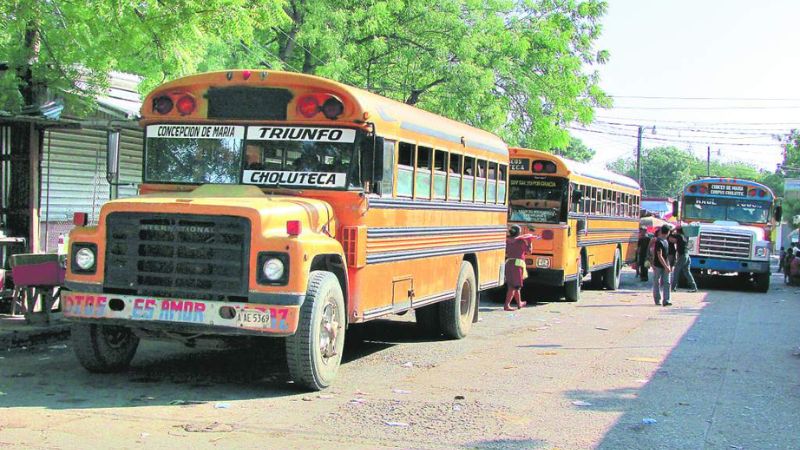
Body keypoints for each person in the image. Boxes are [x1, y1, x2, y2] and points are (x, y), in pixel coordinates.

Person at [504, 225, 535, 311]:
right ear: (518, 232)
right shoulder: (520, 241)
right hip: (517, 264)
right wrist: (530, 241)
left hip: (508, 263)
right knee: (514, 286)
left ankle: (519, 303)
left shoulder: (507, 240)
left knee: (514, 285)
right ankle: (507, 305)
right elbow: (529, 251)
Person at [670, 226, 698, 292]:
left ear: (677, 231)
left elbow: (670, 234)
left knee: (676, 271)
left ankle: (673, 287)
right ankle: (694, 287)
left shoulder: (679, 236)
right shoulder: (686, 236)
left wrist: (673, 229)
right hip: (687, 255)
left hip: (682, 256)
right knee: (687, 272)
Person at [652, 224, 672, 307]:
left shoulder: (666, 241)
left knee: (667, 282)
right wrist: (666, 266)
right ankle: (658, 300)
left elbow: (665, 255)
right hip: (658, 265)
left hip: (665, 264)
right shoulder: (659, 242)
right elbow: (659, 256)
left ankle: (666, 300)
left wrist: (668, 265)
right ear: (668, 232)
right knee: (657, 282)